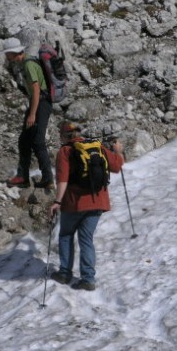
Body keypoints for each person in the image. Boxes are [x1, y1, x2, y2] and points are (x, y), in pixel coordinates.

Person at [48, 122, 124, 291]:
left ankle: (64, 273)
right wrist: (118, 151)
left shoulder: (65, 151)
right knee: (86, 239)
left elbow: (63, 180)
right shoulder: (97, 147)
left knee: (66, 235)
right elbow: (117, 167)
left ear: (63, 136)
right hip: (98, 202)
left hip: (75, 203)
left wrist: (57, 202)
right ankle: (88, 279)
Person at [2, 37, 54, 189]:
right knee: (24, 140)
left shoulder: (29, 64)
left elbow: (36, 90)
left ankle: (48, 178)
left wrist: (32, 114)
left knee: (37, 141)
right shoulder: (26, 62)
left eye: (7, 54)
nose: (6, 57)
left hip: (41, 104)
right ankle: (23, 176)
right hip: (38, 103)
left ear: (13, 52)